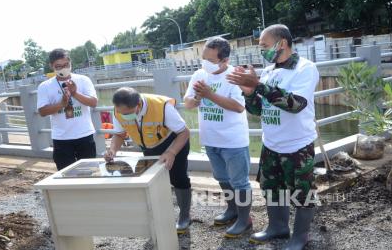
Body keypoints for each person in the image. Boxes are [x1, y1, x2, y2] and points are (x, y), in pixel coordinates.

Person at [227, 24, 320, 250]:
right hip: (272, 143)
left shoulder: (305, 69)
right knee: (271, 188)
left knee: (303, 192)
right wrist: (249, 91)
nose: (262, 50)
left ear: (283, 43)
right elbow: (259, 109)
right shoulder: (268, 72)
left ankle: (300, 236)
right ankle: (277, 227)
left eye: (265, 45)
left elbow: (296, 105)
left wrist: (258, 85)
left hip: (298, 144)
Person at [184, 37, 252, 238]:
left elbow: (239, 106)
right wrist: (197, 97)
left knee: (240, 182)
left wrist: (208, 95)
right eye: (203, 58)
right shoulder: (199, 74)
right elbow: (188, 103)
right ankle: (232, 210)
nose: (205, 63)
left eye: (210, 60)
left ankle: (244, 219)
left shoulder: (234, 76)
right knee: (221, 177)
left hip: (233, 141)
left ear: (225, 60)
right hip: (210, 139)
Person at [104, 87, 192, 234]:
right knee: (153, 180)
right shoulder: (119, 111)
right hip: (148, 145)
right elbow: (119, 135)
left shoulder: (162, 106)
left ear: (138, 105)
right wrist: (112, 150)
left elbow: (184, 132)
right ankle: (161, 216)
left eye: (128, 113)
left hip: (173, 142)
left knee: (179, 178)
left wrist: (171, 152)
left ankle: (185, 215)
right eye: (121, 113)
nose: (123, 116)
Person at [37, 48, 98, 170]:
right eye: (58, 66)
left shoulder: (83, 80)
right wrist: (61, 104)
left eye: (66, 65)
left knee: (89, 172)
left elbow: (93, 103)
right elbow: (42, 111)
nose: (63, 69)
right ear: (51, 66)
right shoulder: (45, 86)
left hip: (85, 135)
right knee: (65, 175)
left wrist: (75, 93)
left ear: (70, 63)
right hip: (61, 138)